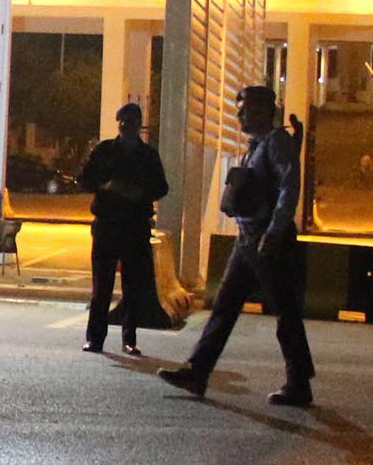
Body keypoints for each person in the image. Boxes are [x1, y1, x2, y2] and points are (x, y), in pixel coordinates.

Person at [160, 87, 315, 406]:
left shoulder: (275, 141)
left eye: (246, 110)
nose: (240, 115)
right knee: (225, 307)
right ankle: (197, 371)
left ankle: (299, 382)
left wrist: (275, 230)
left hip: (268, 241)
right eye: (239, 109)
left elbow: (289, 187)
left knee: (285, 312)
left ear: (265, 111)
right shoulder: (257, 145)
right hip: (247, 241)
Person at [78, 102, 169, 356]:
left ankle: (129, 338)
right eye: (122, 122)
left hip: (135, 226)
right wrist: (106, 185)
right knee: (101, 286)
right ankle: (95, 338)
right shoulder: (105, 150)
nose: (126, 126)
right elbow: (84, 179)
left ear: (139, 125)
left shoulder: (148, 155)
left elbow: (161, 187)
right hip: (107, 224)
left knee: (132, 287)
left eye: (131, 122)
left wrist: (140, 192)